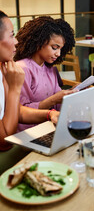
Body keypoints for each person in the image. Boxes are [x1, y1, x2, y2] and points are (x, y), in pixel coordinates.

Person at [0, 11, 59, 173]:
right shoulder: (16, 71)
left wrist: (49, 114)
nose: (16, 42)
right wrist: (14, 89)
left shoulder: (4, 67)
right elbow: (4, 140)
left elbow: (15, 111)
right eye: (11, 35)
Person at [14, 16, 77, 131]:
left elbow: (58, 105)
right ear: (39, 42)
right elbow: (21, 111)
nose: (58, 54)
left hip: (49, 126)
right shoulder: (22, 69)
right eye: (54, 48)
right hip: (29, 131)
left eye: (61, 49)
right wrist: (54, 99)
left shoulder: (50, 69)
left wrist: (72, 93)